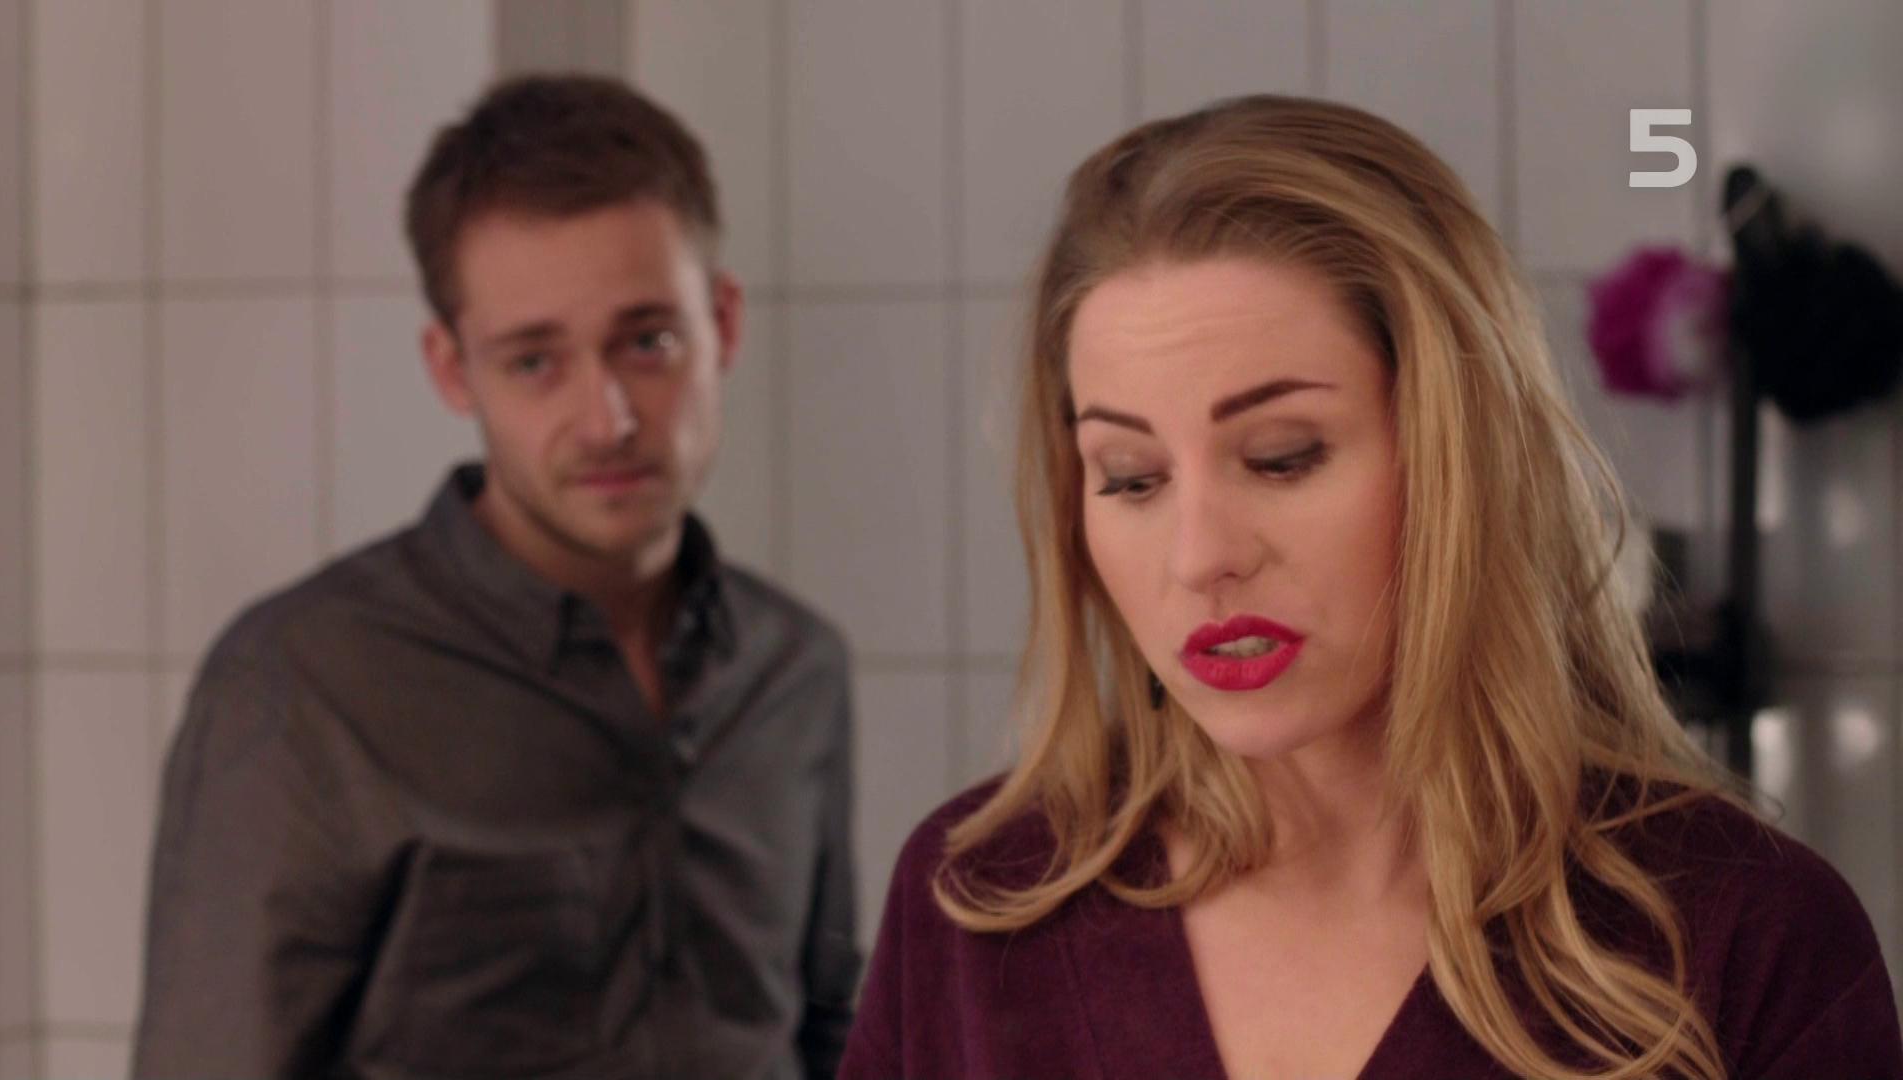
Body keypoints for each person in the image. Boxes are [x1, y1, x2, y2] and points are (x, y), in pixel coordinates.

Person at [840, 96, 1902, 1079]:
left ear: (1459, 459)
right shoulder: (976, 912)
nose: (1199, 556)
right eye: (1131, 478)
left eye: (1284, 457)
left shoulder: (1746, 942)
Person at [134, 75, 859, 1080]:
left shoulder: (796, 670)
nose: (607, 419)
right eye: (534, 361)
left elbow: (832, 1037)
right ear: (451, 368)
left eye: (648, 341)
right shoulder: (304, 685)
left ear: (723, 324)